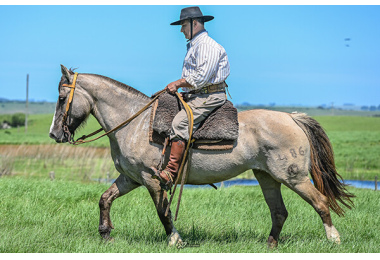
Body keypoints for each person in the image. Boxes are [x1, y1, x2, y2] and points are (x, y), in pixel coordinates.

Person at [151, 6, 230, 190]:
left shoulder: (207, 46)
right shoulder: (196, 46)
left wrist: (178, 84)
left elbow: (201, 77)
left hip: (210, 96)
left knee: (180, 123)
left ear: (195, 23)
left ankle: (171, 173)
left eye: (183, 25)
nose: (181, 30)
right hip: (198, 94)